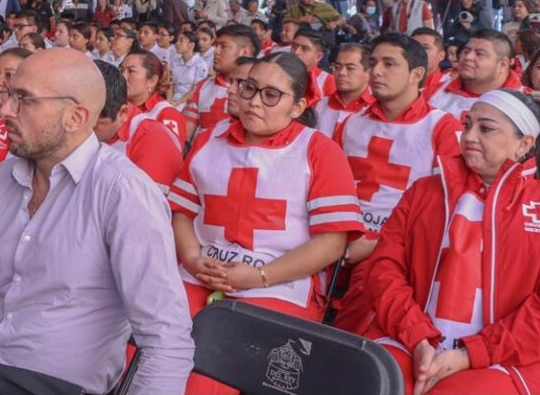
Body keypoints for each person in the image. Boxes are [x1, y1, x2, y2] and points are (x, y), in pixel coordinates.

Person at [0, 49, 194, 395]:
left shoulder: (123, 193)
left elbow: (166, 341)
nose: (5, 110)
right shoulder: (1, 180)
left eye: (24, 100)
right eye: (9, 96)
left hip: (49, 384)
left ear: (75, 117)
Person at [169, 53, 364, 390]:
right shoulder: (209, 139)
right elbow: (183, 212)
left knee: (210, 376)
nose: (254, 102)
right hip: (199, 272)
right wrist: (192, 259)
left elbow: (332, 242)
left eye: (271, 95)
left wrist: (259, 276)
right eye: (249, 88)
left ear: (298, 106)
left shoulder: (319, 150)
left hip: (279, 283)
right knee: (142, 348)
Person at [353, 90, 540, 394]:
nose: (469, 136)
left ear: (524, 144)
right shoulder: (424, 190)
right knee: (374, 383)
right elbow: (384, 269)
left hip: (508, 356)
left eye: (486, 128)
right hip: (409, 337)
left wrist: (472, 353)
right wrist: (418, 338)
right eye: (467, 125)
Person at [329, 34, 461, 336]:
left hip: (396, 247)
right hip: (341, 235)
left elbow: (446, 209)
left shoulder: (442, 128)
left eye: (389, 64)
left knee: (372, 282)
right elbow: (328, 187)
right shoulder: (350, 123)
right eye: (373, 62)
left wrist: (376, 243)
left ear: (417, 74)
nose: (376, 71)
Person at [98, 60, 185, 189]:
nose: (123, 76)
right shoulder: (115, 108)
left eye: (131, 71)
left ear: (152, 81)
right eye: (121, 70)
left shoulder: (163, 119)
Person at [182, 23, 260, 142]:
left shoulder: (261, 93)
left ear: (245, 52)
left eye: (223, 46)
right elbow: (184, 136)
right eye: (216, 45)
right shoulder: (202, 86)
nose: (216, 51)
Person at [430, 30, 519, 121]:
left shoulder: (523, 103)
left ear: (503, 65)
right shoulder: (432, 93)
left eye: (479, 54)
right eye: (466, 51)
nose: (468, 57)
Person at [314, 43, 373, 137]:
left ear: (369, 73)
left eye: (350, 68)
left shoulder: (375, 110)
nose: (341, 72)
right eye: (337, 67)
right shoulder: (320, 104)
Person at [168, 29, 210, 105]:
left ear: (191, 45)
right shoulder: (174, 61)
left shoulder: (200, 64)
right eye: (177, 41)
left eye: (181, 41)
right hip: (174, 98)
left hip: (190, 101)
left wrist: (177, 103)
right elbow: (170, 84)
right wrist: (169, 102)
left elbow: (195, 89)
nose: (177, 43)